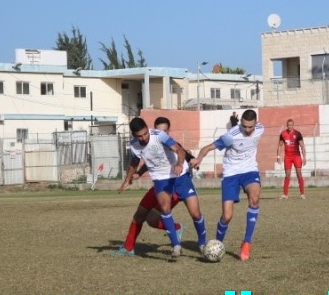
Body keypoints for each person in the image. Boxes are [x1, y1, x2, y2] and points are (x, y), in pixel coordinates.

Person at [118, 117, 207, 259]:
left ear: (148, 129)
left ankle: (203, 244)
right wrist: (128, 178)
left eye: (145, 134)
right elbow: (134, 163)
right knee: (165, 209)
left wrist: (179, 164)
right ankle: (176, 245)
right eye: (139, 136)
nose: (143, 138)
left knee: (195, 213)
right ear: (134, 135)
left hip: (181, 176)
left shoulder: (160, 136)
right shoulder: (135, 145)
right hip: (161, 179)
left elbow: (180, 150)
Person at [192, 109, 264, 261]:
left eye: (250, 127)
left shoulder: (260, 129)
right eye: (244, 126)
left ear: (256, 124)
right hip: (231, 174)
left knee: (255, 199)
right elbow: (206, 148)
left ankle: (246, 243)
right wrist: (198, 159)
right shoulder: (230, 136)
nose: (247, 130)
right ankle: (218, 243)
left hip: (250, 170)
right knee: (227, 216)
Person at [277, 118, 307, 199]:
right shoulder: (283, 134)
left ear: (293, 125)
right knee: (287, 175)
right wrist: (278, 156)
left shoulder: (297, 134)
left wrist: (304, 157)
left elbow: (302, 146)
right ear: (287, 125)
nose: (290, 127)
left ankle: (302, 194)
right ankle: (285, 194)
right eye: (288, 125)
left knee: (299, 173)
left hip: (296, 156)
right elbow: (280, 145)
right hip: (287, 157)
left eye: (291, 125)